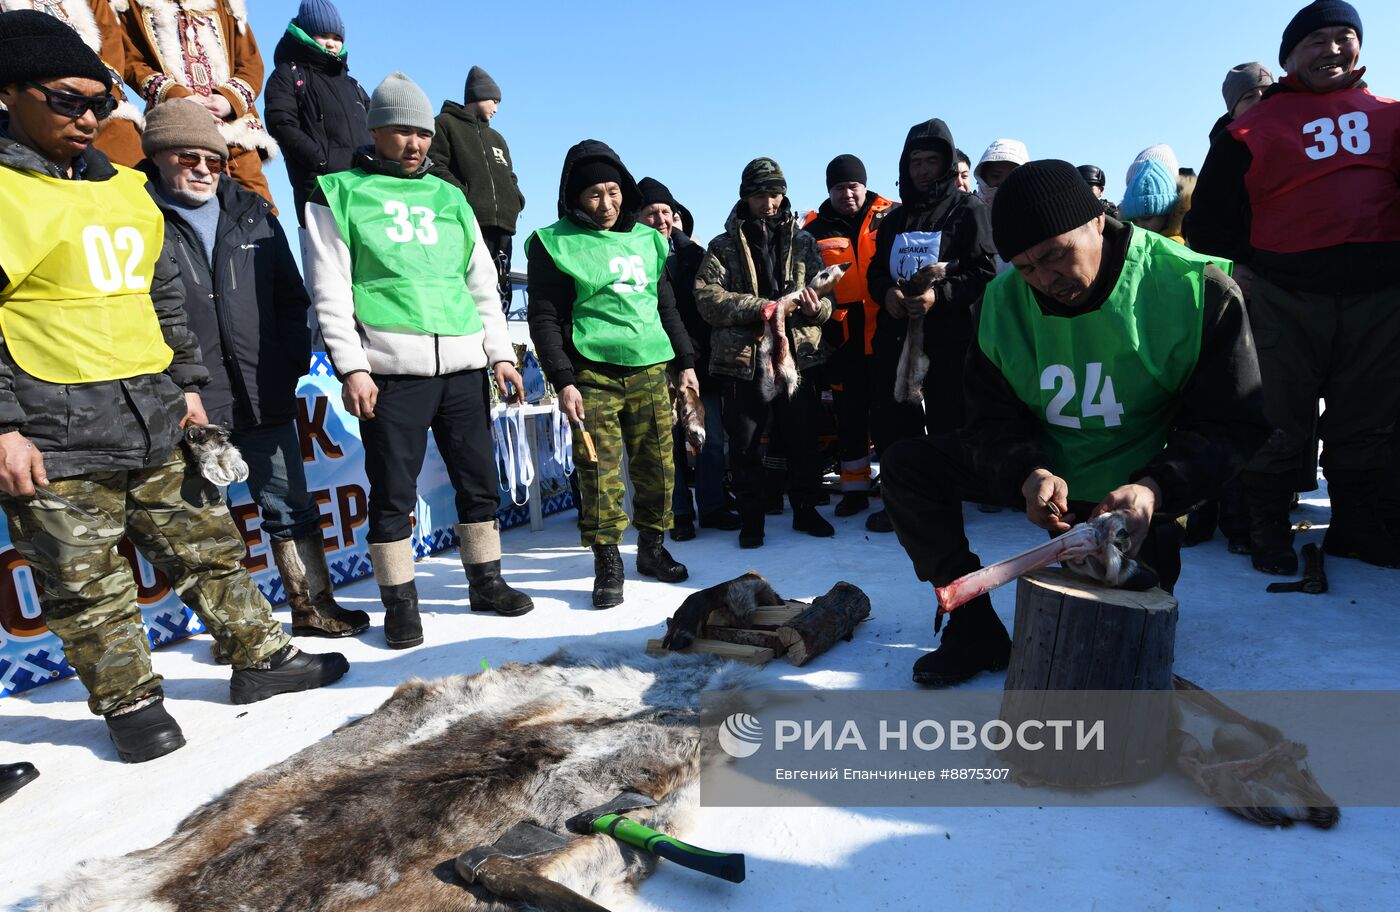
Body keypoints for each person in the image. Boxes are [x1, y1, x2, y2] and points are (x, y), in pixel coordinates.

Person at [0, 10, 347, 762]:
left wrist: (188, 389)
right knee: (87, 584)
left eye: (99, 102)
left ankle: (263, 660)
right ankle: (133, 706)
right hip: (51, 429)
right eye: (68, 100)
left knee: (210, 546)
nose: (90, 117)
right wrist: (2, 428)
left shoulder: (125, 193)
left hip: (153, 413)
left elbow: (161, 304)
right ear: (9, 94)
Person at [882, 160, 1266, 686]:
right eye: (1025, 266)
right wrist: (1027, 471)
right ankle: (970, 625)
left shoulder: (1193, 288)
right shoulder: (1001, 301)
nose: (1045, 280)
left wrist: (1156, 488)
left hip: (1135, 489)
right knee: (908, 466)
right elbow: (989, 418)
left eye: (1055, 255)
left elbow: (1232, 423)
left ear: (1098, 222)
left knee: (1119, 647)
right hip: (1051, 476)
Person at [304, 72, 533, 647]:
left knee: (478, 483)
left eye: (423, 134)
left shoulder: (449, 195)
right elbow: (330, 288)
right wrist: (352, 366)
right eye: (402, 131)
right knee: (392, 493)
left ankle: (487, 583)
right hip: (391, 371)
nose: (415, 144)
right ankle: (399, 604)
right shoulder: (338, 192)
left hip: (461, 365)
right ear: (376, 129)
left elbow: (482, 282)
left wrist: (500, 355)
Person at [141, 98, 369, 641]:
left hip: (263, 387)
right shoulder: (135, 214)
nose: (201, 168)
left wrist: (288, 360)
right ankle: (237, 635)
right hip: (188, 402)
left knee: (289, 504)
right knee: (205, 525)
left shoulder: (252, 211)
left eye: (213, 159)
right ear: (156, 155)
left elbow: (292, 297)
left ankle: (312, 605)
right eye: (186, 156)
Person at [1187, 0, 1400, 572]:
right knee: (1278, 417)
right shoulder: (1248, 129)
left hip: (1379, 298)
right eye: (1316, 41)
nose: (1332, 49)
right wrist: (1241, 267)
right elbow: (1205, 223)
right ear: (1289, 57)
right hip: (1285, 294)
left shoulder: (1392, 115)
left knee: (1368, 418)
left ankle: (1356, 527)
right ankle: (1266, 528)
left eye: (1343, 36)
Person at [527, 140, 696, 605]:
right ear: (574, 197)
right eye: (594, 195)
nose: (607, 204)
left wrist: (685, 364)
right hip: (592, 372)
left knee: (658, 465)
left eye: (614, 191)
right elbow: (542, 317)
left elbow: (667, 306)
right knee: (598, 471)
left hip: (650, 368)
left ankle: (653, 549)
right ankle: (607, 561)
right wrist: (562, 379)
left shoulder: (648, 240)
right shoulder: (553, 243)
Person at [864, 119, 997, 532]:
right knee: (894, 422)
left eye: (930, 161)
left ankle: (945, 501)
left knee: (949, 419)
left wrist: (938, 297)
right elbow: (874, 271)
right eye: (915, 161)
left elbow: (985, 270)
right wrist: (886, 294)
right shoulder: (894, 219)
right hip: (897, 336)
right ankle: (900, 499)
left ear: (946, 163)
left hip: (948, 337)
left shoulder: (968, 209)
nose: (922, 169)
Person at [695, 157, 834, 548]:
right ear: (746, 197)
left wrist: (813, 307)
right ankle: (751, 519)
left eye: (774, 194)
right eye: (759, 195)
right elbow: (707, 298)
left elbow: (828, 302)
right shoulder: (722, 246)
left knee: (804, 438)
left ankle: (806, 508)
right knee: (744, 446)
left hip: (797, 357)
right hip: (744, 361)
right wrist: (761, 309)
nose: (769, 203)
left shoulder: (805, 241)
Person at [635, 176, 736, 541]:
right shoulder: (632, 259)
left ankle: (713, 507)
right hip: (656, 362)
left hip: (699, 362)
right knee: (668, 443)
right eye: (651, 213)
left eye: (666, 211)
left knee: (709, 439)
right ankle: (677, 513)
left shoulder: (696, 255)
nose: (660, 219)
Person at [802, 153, 897, 518]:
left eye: (854, 186)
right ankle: (854, 488)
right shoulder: (814, 229)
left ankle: (895, 489)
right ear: (830, 190)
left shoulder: (891, 215)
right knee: (850, 415)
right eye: (840, 188)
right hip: (842, 337)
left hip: (888, 330)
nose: (848, 194)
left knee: (891, 417)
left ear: (865, 184)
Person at [120, 0, 278, 205]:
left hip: (235, 130)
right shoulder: (132, 4)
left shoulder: (226, 3)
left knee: (258, 206)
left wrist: (227, 99)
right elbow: (130, 60)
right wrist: (178, 97)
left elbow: (251, 63)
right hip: (176, 125)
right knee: (177, 204)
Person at [263, 0, 370, 228]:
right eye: (323, 35)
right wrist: (320, 162)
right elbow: (281, 122)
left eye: (337, 37)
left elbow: (375, 128)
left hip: (365, 186)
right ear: (305, 34)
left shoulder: (354, 85)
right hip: (320, 187)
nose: (331, 43)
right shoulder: (288, 75)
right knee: (328, 259)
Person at [0, 0, 144, 165]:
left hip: (104, 105)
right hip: (19, 108)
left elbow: (111, 44)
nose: (88, 121)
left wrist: (99, 101)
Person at [428, 65, 525, 308]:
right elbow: (435, 165)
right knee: (469, 291)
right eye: (494, 100)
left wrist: (516, 199)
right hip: (467, 224)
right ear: (478, 96)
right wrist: (463, 196)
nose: (496, 108)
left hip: (503, 229)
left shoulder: (497, 138)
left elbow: (509, 175)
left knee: (499, 292)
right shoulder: (444, 124)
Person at [1119, 157, 1181, 239]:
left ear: (1168, 214)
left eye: (1146, 218)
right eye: (1133, 221)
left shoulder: (1175, 246)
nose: (1139, 226)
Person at [1212, 61, 1275, 139]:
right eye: (1249, 96)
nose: (1261, 99)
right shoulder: (1223, 150)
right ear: (1233, 113)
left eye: (1267, 93)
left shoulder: (1293, 133)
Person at [973, 138, 1028, 208]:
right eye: (996, 176)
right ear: (983, 177)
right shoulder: (968, 211)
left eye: (1012, 176)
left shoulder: (1036, 212)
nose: (1003, 182)